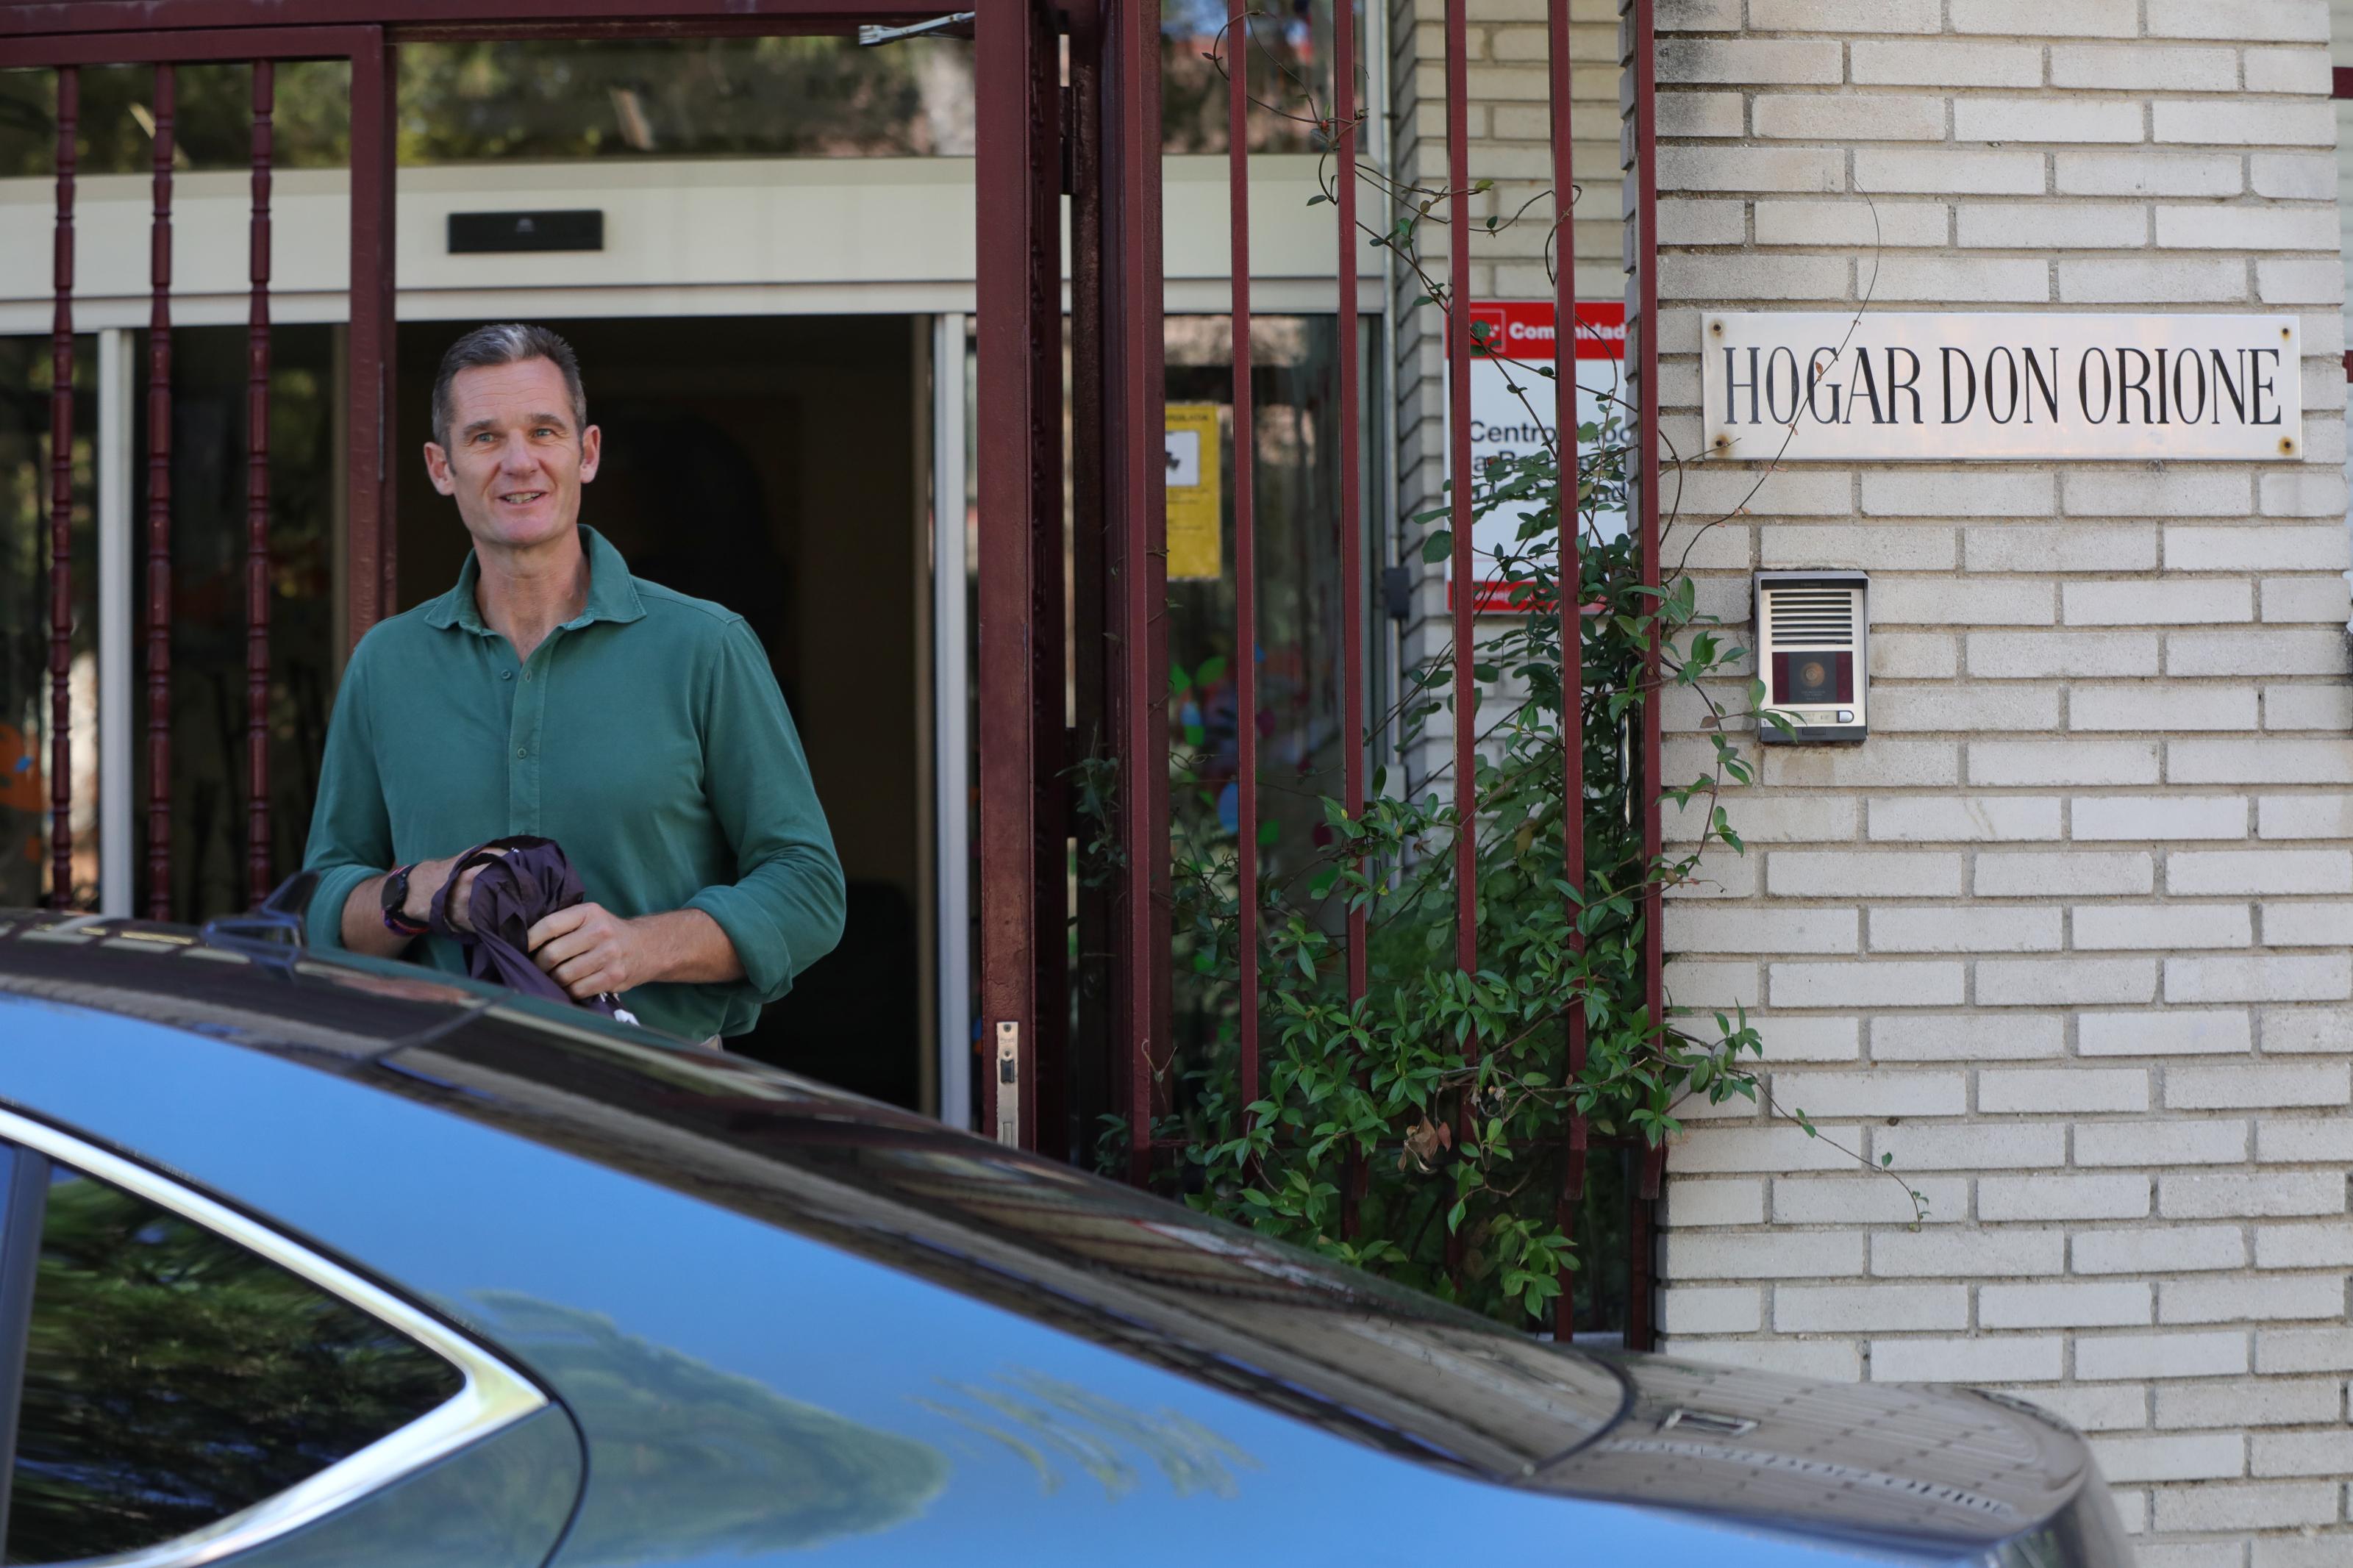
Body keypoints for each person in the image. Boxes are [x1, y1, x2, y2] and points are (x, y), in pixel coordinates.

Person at [301, 323, 843, 1043]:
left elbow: (806, 888)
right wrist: (417, 893)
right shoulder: (387, 664)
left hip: (662, 1090)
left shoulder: (705, 647)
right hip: (442, 1090)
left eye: (544, 431)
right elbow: (322, 903)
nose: (519, 462)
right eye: (486, 438)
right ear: (441, 467)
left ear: (585, 454)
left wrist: (644, 945)